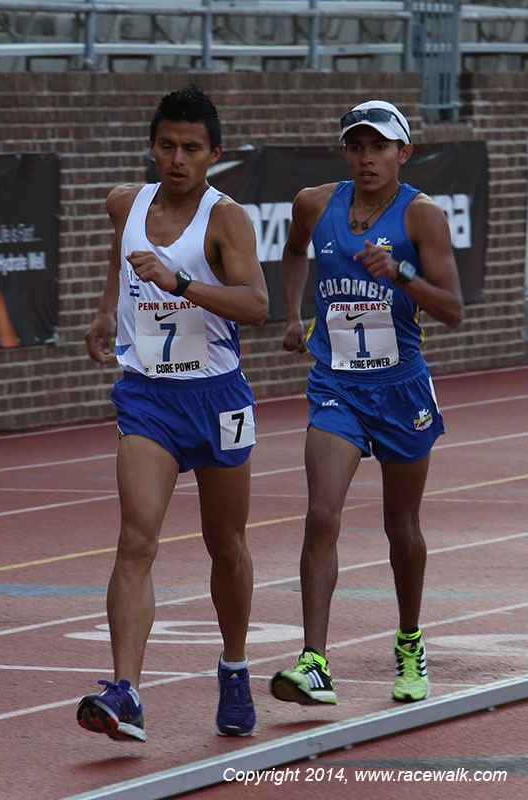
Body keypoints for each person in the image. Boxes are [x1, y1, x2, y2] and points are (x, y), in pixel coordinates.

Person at [77, 85, 269, 741]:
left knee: (226, 544)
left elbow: (256, 307)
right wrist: (109, 307)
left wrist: (180, 282)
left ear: (213, 153)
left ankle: (235, 667)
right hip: (148, 396)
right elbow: (123, 256)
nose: (177, 159)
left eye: (191, 148)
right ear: (151, 146)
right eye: (166, 145)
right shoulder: (123, 203)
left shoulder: (226, 219)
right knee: (136, 539)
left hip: (218, 399)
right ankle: (125, 692)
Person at [270, 100, 463, 707]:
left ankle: (408, 640)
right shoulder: (313, 203)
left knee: (399, 527)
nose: (366, 158)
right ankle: (315, 662)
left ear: (403, 153)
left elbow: (452, 310)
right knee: (322, 515)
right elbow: (295, 250)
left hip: (401, 387)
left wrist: (401, 274)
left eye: (379, 147)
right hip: (336, 384)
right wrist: (296, 312)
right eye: (356, 146)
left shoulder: (422, 217)